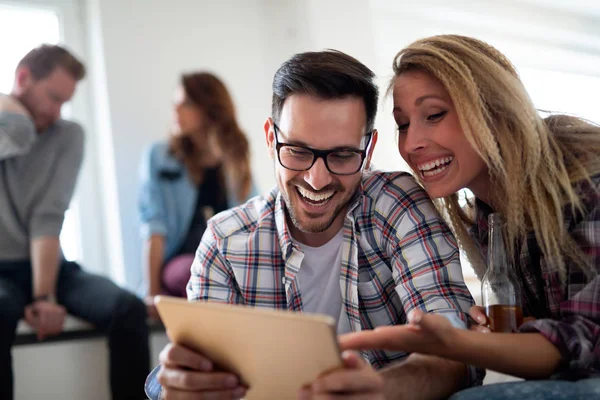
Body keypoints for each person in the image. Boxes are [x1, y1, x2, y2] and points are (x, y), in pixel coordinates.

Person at [145, 49, 481, 400]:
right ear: (272, 139)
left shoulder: (398, 205)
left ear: (368, 150)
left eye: (342, 155)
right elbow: (198, 372)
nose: (317, 179)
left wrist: (381, 391)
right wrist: (183, 385)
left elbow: (455, 350)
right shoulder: (224, 242)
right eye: (298, 151)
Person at [340, 34, 600, 399]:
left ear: (493, 109)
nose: (412, 143)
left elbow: (585, 341)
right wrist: (510, 335)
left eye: (434, 115)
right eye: (403, 124)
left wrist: (458, 344)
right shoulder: (488, 214)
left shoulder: (587, 184)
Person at [0, 44, 150, 400]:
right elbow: (15, 137)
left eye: (64, 102)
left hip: (50, 266)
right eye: (52, 97)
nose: (56, 111)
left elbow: (47, 217)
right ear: (23, 78)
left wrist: (45, 295)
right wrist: (12, 113)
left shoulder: (68, 136)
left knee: (126, 308)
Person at [138, 72, 256, 317]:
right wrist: (152, 292)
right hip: (180, 261)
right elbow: (154, 228)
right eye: (175, 103)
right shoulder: (160, 157)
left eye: (186, 104)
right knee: (198, 274)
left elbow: (255, 221)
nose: (175, 111)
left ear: (209, 108)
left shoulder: (235, 158)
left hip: (228, 261)